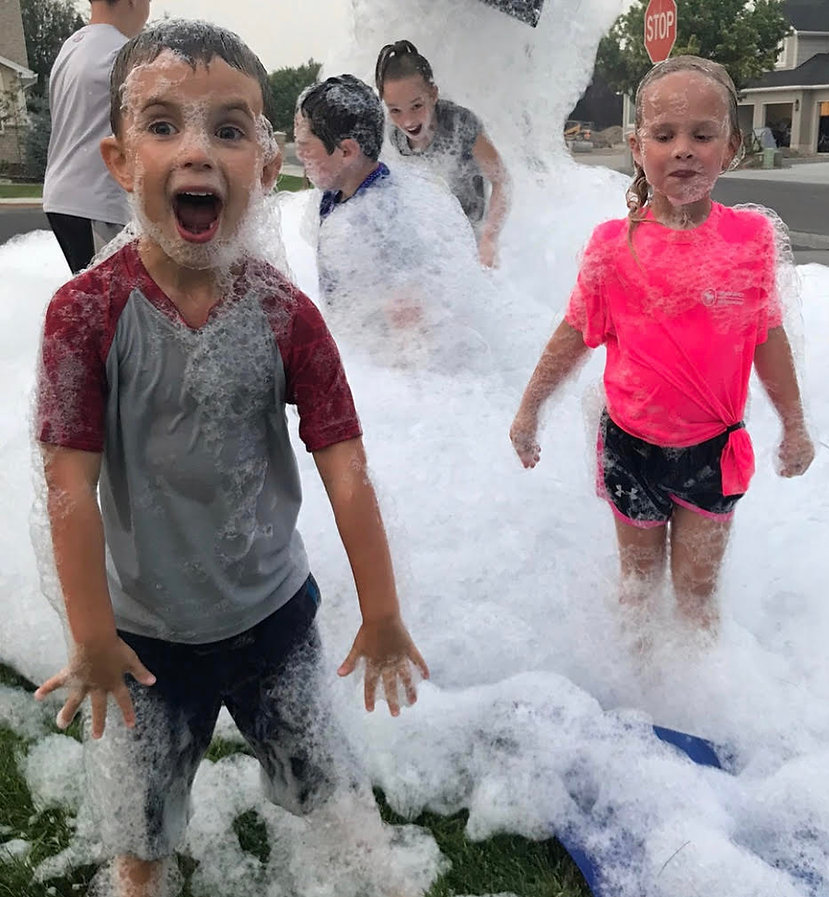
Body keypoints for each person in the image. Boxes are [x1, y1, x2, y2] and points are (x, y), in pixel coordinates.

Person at [33, 21, 428, 897]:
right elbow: (69, 486)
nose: (197, 150)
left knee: (324, 787)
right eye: (163, 124)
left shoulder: (285, 314)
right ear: (119, 159)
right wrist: (92, 633)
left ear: (268, 164)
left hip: (274, 617)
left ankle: (363, 871)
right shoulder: (85, 315)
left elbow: (346, 466)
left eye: (230, 128)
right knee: (141, 828)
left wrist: (383, 609)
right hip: (142, 638)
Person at [509, 57, 814, 636]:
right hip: (631, 446)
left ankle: (696, 695)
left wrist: (793, 424)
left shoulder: (750, 240)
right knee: (638, 588)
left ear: (730, 146)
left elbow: (766, 337)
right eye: (664, 134)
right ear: (636, 146)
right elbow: (573, 335)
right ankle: (642, 696)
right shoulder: (611, 246)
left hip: (711, 452)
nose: (683, 149)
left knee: (697, 598)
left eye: (703, 135)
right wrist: (531, 409)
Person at [294, 74, 488, 370]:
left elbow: (410, 320)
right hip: (355, 351)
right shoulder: (335, 194)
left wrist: (400, 379)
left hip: (384, 365)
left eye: (306, 146)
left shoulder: (384, 217)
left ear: (347, 151)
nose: (299, 154)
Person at [375, 39, 510, 268]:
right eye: (395, 110)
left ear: (433, 94)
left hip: (469, 243)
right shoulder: (393, 136)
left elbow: (502, 181)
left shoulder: (461, 124)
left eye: (417, 106)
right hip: (426, 244)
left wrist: (489, 238)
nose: (407, 121)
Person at [42, 0, 150, 274]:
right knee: (111, 304)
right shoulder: (120, 54)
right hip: (98, 201)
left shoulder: (72, 47)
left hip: (62, 194)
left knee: (92, 296)